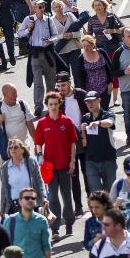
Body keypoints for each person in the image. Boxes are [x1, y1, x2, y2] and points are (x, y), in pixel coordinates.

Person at [34, 91, 77, 241]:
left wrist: (72, 162)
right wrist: (40, 156)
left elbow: (73, 142)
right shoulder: (42, 123)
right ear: (47, 105)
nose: (53, 107)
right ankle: (55, 229)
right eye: (50, 104)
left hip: (65, 166)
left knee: (67, 196)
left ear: (60, 103)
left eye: (55, 104)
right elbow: (38, 143)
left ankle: (69, 224)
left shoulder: (67, 121)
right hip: (49, 168)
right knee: (53, 198)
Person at [17, 0, 59, 117]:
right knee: (38, 82)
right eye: (40, 7)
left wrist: (51, 40)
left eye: (43, 6)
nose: (42, 8)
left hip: (48, 54)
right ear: (34, 8)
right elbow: (19, 34)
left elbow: (55, 35)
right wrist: (28, 29)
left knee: (51, 81)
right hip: (35, 55)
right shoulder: (28, 19)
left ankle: (52, 104)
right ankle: (38, 106)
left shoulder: (49, 20)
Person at [0, 138, 47, 219]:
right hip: (15, 206)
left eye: (16, 147)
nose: (13, 149)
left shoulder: (30, 161)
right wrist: (2, 208)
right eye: (10, 148)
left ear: (22, 150)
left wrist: (43, 197)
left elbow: (39, 181)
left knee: (34, 229)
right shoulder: (5, 167)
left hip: (31, 202)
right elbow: (4, 189)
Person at [80, 90, 117, 191]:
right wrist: (82, 131)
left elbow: (110, 123)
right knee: (96, 194)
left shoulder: (108, 115)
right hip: (91, 161)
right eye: (88, 102)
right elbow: (84, 143)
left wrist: (98, 123)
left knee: (110, 193)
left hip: (108, 159)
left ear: (99, 100)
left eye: (92, 101)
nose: (90, 104)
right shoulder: (85, 118)